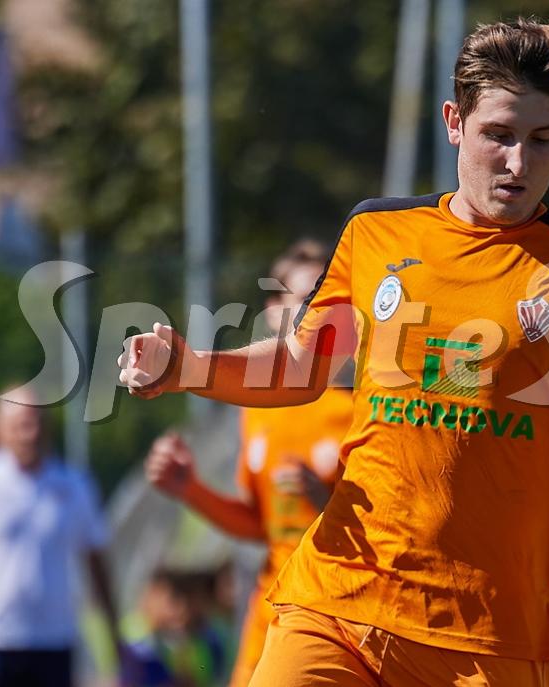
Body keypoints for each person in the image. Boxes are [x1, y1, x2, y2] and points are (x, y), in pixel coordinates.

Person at [119, 17, 549, 686]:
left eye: (541, 139)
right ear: (454, 122)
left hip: (487, 635)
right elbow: (300, 367)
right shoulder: (377, 231)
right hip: (337, 599)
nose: (518, 163)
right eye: (498, 135)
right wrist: (188, 367)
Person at [142, 240, 354, 687]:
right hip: (275, 606)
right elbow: (260, 526)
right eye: (306, 299)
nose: (319, 312)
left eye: (329, 300)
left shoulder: (359, 405)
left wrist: (326, 502)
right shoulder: (256, 411)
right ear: (273, 311)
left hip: (343, 612)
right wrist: (190, 490)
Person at [0, 390, 125, 687]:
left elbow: (95, 563)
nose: (31, 434)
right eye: (21, 425)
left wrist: (114, 633)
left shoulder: (74, 485)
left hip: (53, 641)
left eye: (38, 424)